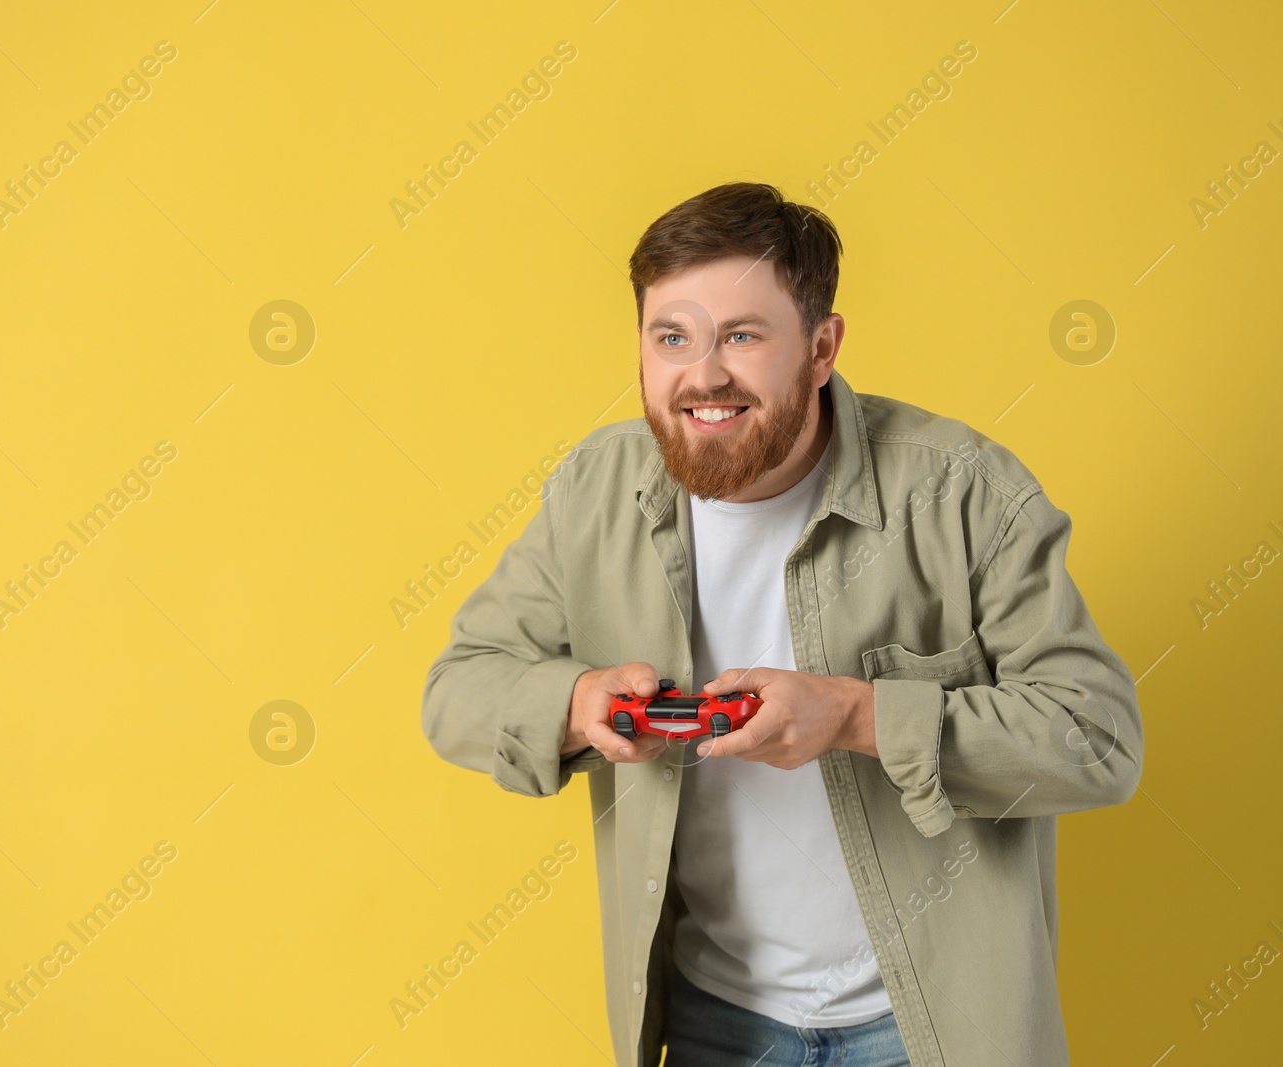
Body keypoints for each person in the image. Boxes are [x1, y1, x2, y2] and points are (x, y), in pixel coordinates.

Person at [420, 181, 1143, 1067]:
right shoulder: (593, 493)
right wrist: (576, 702)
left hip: (929, 1032)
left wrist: (855, 715)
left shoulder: (965, 493)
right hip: (717, 1021)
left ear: (822, 346)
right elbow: (458, 687)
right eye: (671, 336)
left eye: (743, 336)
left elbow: (1097, 736)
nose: (704, 374)